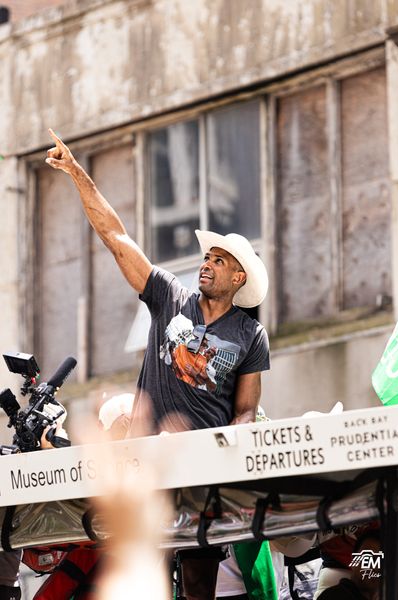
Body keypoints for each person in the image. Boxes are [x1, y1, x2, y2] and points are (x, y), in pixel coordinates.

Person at [46, 129, 270, 600]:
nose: (206, 263)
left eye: (219, 259)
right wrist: (75, 171)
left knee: (197, 585)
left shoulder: (251, 335)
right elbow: (116, 236)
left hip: (203, 468)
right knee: (143, 568)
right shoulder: (170, 295)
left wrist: (231, 444)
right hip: (145, 462)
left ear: (238, 277)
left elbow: (246, 409)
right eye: (206, 256)